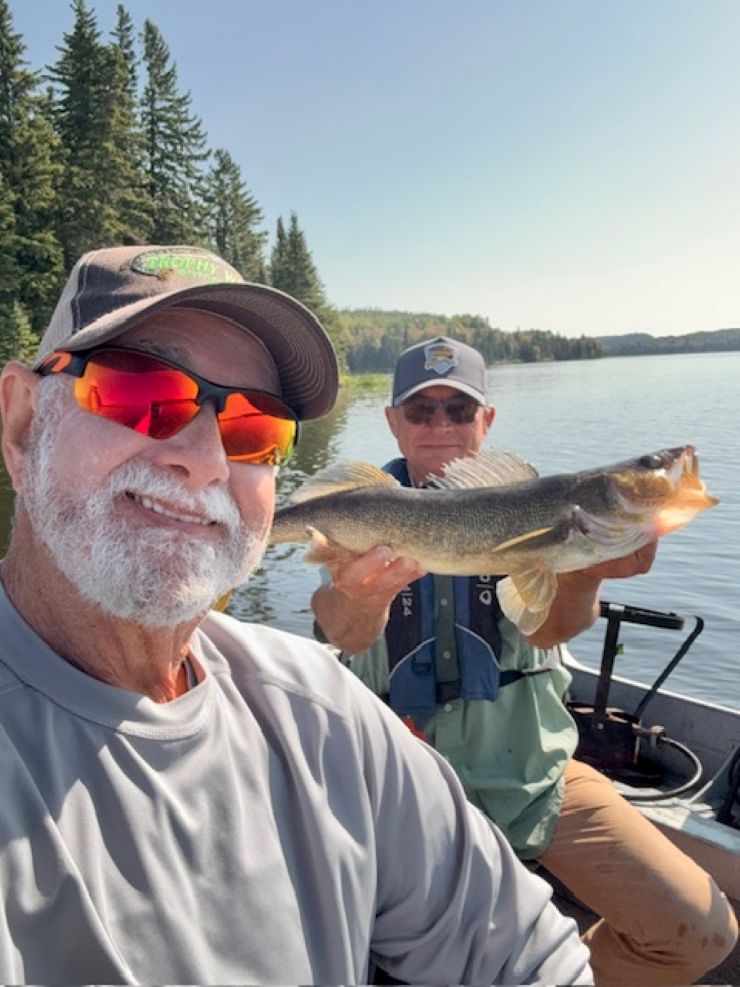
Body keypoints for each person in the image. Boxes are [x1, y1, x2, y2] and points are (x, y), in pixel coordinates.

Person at [0, 247, 596, 985]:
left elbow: (528, 957)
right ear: (22, 423)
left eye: (255, 427)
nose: (205, 459)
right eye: (139, 395)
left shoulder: (322, 713)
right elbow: (345, 629)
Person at [312, 335, 738, 987]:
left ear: (487, 420)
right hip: (393, 788)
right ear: (393, 420)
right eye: (421, 411)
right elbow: (338, 632)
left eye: (459, 409)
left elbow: (549, 633)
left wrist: (582, 576)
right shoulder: (360, 511)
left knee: (698, 928)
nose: (441, 425)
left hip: (533, 779)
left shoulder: (536, 502)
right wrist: (362, 594)